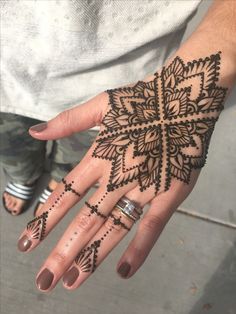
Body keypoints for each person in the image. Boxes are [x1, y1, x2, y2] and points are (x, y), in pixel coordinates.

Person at [2, 0, 236, 292]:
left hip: (117, 80)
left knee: (76, 161)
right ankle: (23, 176)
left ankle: (55, 179)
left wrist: (219, 46)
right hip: (6, 71)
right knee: (12, 148)